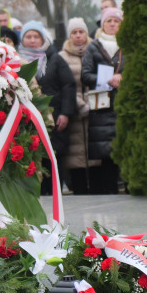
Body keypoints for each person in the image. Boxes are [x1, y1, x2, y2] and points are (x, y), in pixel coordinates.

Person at [19, 21, 76, 194]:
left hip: (53, 118)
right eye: (28, 36)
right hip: (27, 121)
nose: (33, 40)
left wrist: (66, 113)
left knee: (52, 159)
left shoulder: (55, 58)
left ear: (43, 38)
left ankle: (54, 197)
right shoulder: (16, 59)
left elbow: (68, 85)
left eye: (36, 36)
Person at [81, 7, 124, 193]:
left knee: (125, 148)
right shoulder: (94, 46)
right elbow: (85, 74)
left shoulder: (128, 45)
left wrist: (124, 78)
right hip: (102, 106)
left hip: (124, 104)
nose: (112, 24)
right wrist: (106, 80)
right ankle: (109, 192)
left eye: (116, 21)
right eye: (109, 21)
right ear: (103, 24)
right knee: (105, 153)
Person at [59, 17, 96, 194]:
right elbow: (64, 85)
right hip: (74, 115)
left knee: (96, 161)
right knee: (76, 162)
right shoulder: (62, 57)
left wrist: (92, 102)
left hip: (95, 112)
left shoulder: (96, 51)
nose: (78, 36)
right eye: (74, 32)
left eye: (81, 32)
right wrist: (80, 104)